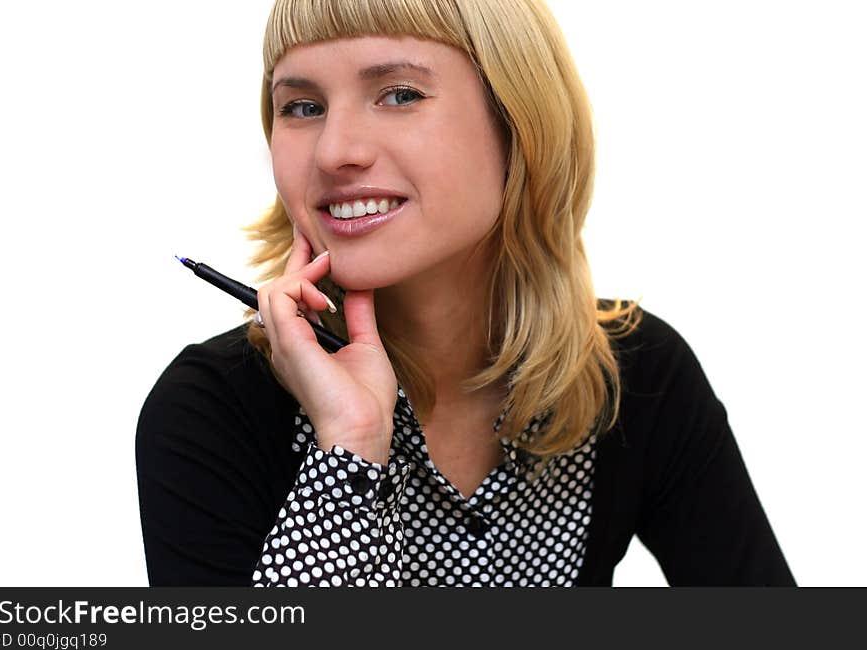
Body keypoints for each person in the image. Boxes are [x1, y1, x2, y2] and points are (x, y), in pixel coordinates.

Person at [136, 0, 795, 586]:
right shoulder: (209, 410)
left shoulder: (638, 374)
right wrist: (348, 448)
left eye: (398, 94)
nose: (335, 151)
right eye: (302, 106)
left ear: (519, 123)